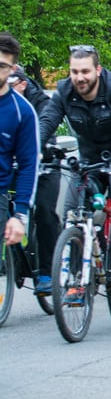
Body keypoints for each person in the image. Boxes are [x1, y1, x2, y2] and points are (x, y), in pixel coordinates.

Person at [39, 45, 111, 266]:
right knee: (73, 214)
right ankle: (77, 281)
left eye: (85, 71)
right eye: (74, 72)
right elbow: (47, 121)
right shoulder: (64, 93)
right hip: (88, 160)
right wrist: (33, 150)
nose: (79, 78)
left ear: (98, 69)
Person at [7, 64, 59, 293]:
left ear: (22, 84)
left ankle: (47, 272)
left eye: (11, 86)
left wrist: (42, 148)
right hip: (13, 168)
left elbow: (45, 126)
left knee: (44, 212)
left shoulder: (40, 104)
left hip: (46, 166)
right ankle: (12, 259)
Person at [0, 33, 39, 253]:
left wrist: (19, 215)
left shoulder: (22, 112)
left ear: (13, 70)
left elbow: (28, 165)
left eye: (1, 66)